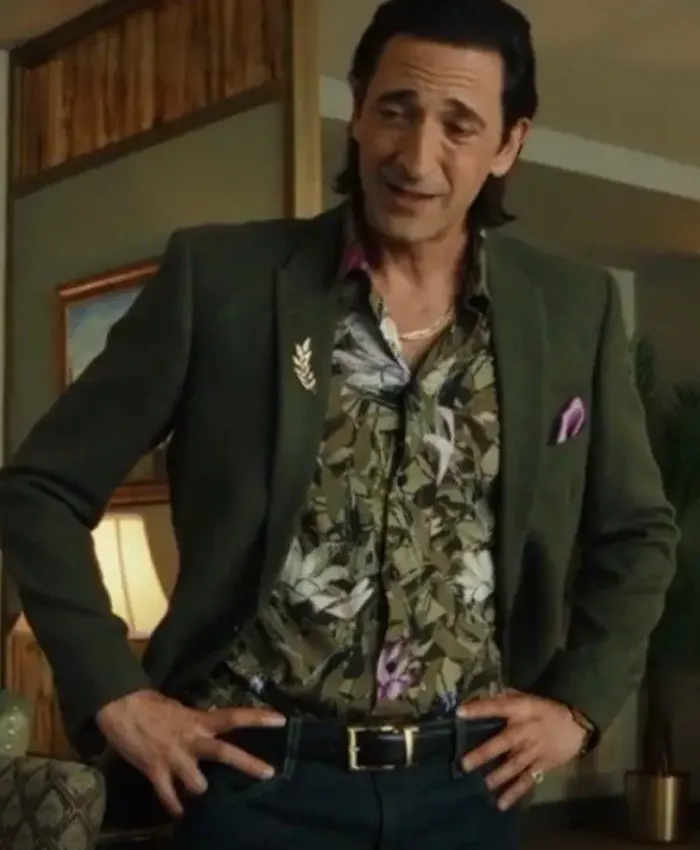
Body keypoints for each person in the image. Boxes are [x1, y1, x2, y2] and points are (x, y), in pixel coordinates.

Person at [0, 1, 678, 848]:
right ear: (357, 107)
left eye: (459, 125)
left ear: (509, 144)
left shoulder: (574, 310)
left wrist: (579, 705)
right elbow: (40, 491)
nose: (416, 156)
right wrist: (116, 694)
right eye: (396, 108)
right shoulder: (222, 280)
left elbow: (637, 533)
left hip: (471, 788)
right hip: (253, 783)